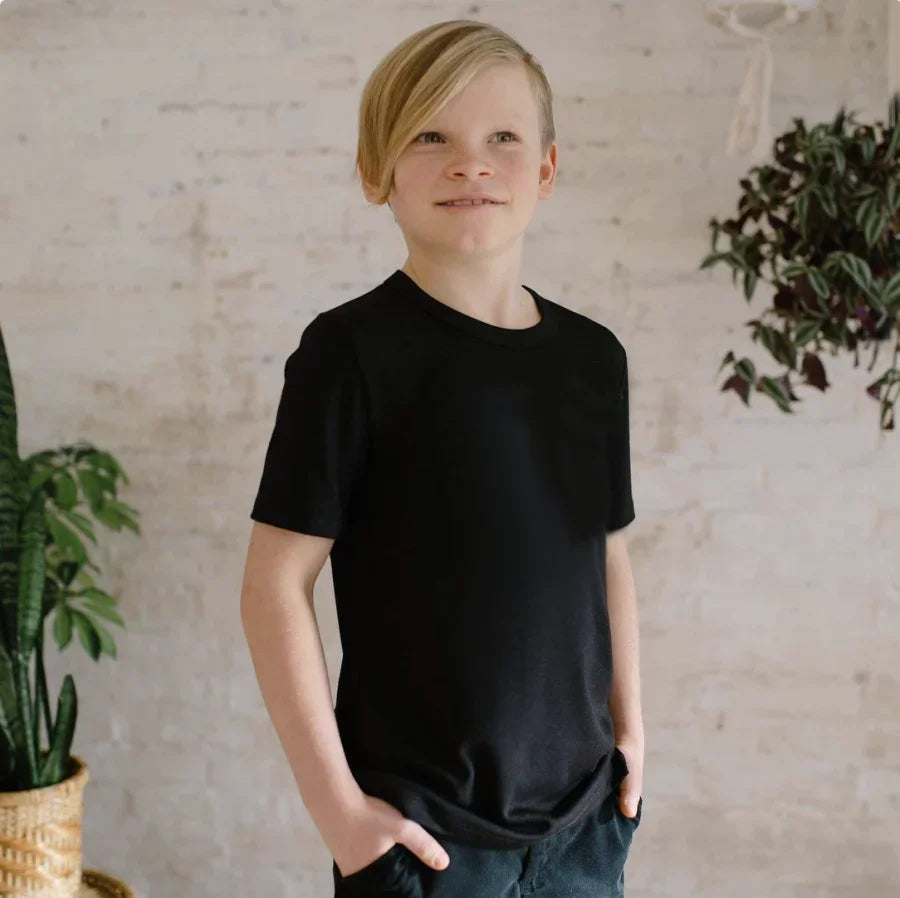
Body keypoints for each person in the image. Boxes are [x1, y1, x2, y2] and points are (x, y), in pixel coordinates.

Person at [240, 18, 643, 898]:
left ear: (545, 168)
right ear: (376, 169)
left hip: (585, 826)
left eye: (502, 137)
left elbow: (605, 551)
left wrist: (632, 736)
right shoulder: (350, 353)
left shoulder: (592, 358)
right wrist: (342, 815)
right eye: (431, 136)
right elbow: (273, 584)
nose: (470, 162)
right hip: (425, 844)